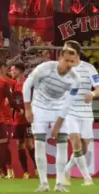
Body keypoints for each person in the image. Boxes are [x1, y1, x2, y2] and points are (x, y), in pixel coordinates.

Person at [22, 42, 88, 192]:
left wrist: (58, 124)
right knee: (39, 144)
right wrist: (27, 109)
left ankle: (59, 183)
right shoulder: (45, 68)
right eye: (67, 60)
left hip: (59, 109)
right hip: (39, 108)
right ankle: (44, 183)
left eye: (73, 62)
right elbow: (27, 85)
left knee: (63, 144)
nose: (69, 64)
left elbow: (68, 104)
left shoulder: (75, 80)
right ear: (60, 58)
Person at [63, 40, 97, 186]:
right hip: (70, 111)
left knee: (84, 146)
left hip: (86, 112)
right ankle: (87, 178)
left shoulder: (89, 68)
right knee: (75, 141)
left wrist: (93, 94)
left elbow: (98, 88)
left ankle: (66, 169)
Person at [9, 62, 37, 179]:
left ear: (19, 71)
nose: (11, 72)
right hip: (17, 119)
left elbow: (33, 99)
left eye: (12, 70)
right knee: (19, 145)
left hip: (27, 118)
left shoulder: (28, 83)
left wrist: (27, 110)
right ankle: (25, 172)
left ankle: (36, 168)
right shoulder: (14, 84)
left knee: (29, 143)